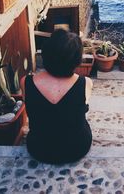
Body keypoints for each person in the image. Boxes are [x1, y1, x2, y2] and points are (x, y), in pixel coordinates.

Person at [20, 29, 93, 164]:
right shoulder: (85, 83)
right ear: (77, 60)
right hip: (76, 148)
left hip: (39, 149)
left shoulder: (26, 82)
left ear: (46, 54)